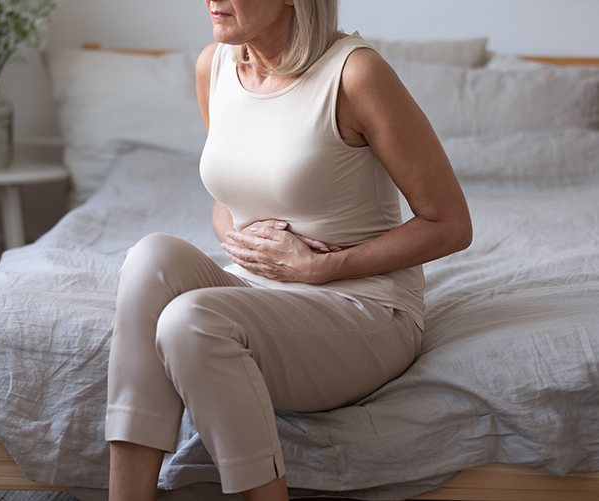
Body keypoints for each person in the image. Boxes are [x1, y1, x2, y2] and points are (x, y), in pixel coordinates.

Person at [105, 0, 473, 500]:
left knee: (189, 320)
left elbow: (450, 224)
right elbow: (229, 196)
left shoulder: (354, 73)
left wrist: (324, 266)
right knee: (148, 259)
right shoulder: (214, 64)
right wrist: (246, 242)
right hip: (260, 291)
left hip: (364, 306)